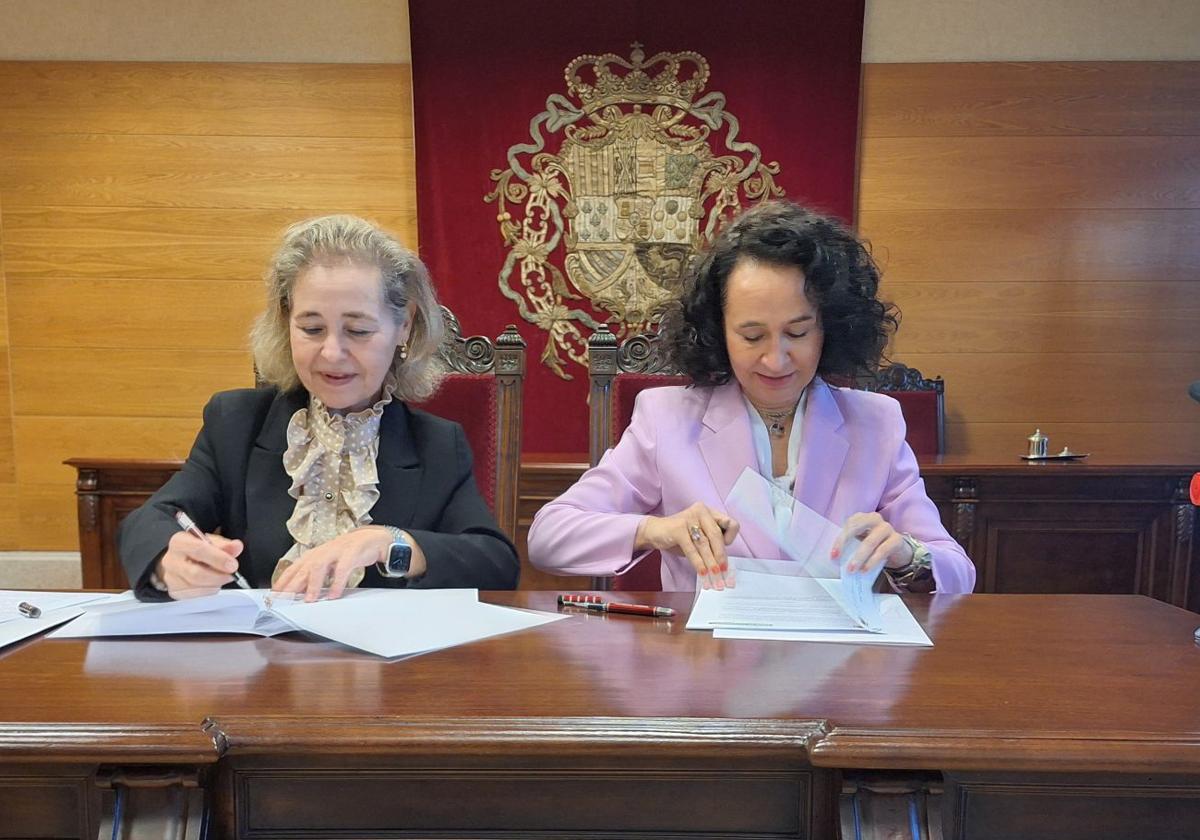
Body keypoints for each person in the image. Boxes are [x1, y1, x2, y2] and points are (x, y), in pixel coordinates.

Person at [527, 200, 975, 593]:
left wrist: (906, 555)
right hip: (709, 671)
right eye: (751, 335)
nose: (776, 359)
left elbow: (957, 570)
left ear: (830, 327)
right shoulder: (667, 419)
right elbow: (550, 537)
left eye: (797, 332)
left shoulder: (875, 423)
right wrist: (656, 530)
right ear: (717, 332)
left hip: (834, 673)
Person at [120, 215, 520, 601]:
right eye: (311, 329)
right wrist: (168, 560)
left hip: (387, 665)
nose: (332, 353)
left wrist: (389, 543)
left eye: (358, 330)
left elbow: (496, 564)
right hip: (263, 660)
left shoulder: (437, 443)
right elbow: (150, 522)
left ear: (404, 326)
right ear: (285, 322)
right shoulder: (236, 423)